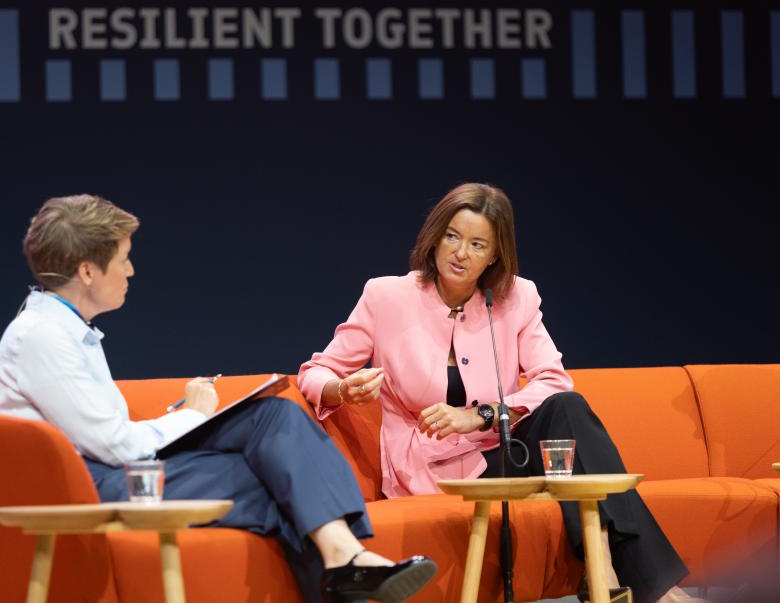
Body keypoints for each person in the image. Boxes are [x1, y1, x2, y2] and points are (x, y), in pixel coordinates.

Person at [0, 194, 436, 603]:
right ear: (88, 271)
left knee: (273, 417)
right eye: (123, 259)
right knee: (277, 480)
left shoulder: (67, 329)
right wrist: (193, 414)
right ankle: (347, 567)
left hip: (110, 469)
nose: (131, 271)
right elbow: (116, 446)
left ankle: (344, 562)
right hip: (87, 484)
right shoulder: (43, 336)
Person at [298, 183, 703, 603]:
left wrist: (483, 415)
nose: (460, 253)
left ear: (494, 255)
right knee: (580, 458)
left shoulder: (516, 297)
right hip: (428, 468)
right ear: (434, 238)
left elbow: (553, 379)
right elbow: (315, 371)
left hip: (499, 456)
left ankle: (607, 564)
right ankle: (625, 578)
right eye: (452, 237)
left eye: (477, 245)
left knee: (567, 407)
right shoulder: (386, 296)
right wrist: (341, 389)